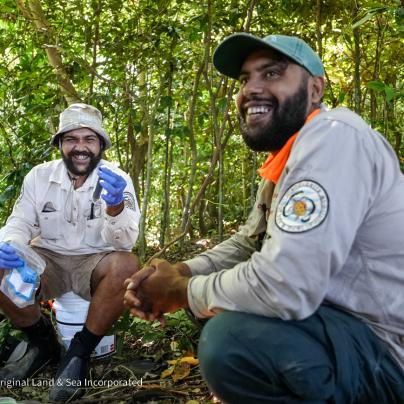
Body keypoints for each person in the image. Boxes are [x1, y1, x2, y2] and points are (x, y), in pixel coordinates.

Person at [124, 33, 404, 403]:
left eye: (272, 74)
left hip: (385, 351)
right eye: (245, 79)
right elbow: (246, 244)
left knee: (232, 340)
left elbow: (285, 284)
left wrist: (181, 292)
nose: (251, 89)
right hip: (336, 330)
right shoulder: (284, 164)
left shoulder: (335, 136)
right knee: (220, 304)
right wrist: (183, 272)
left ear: (315, 89)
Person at [0, 103, 140, 402]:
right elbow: (21, 221)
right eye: (71, 139)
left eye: (89, 139)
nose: (80, 147)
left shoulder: (117, 178)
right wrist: (10, 244)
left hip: (95, 262)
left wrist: (115, 207)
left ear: (100, 144)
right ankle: (43, 345)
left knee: (127, 265)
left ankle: (78, 353)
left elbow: (125, 241)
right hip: (47, 258)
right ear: (60, 144)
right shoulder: (39, 177)